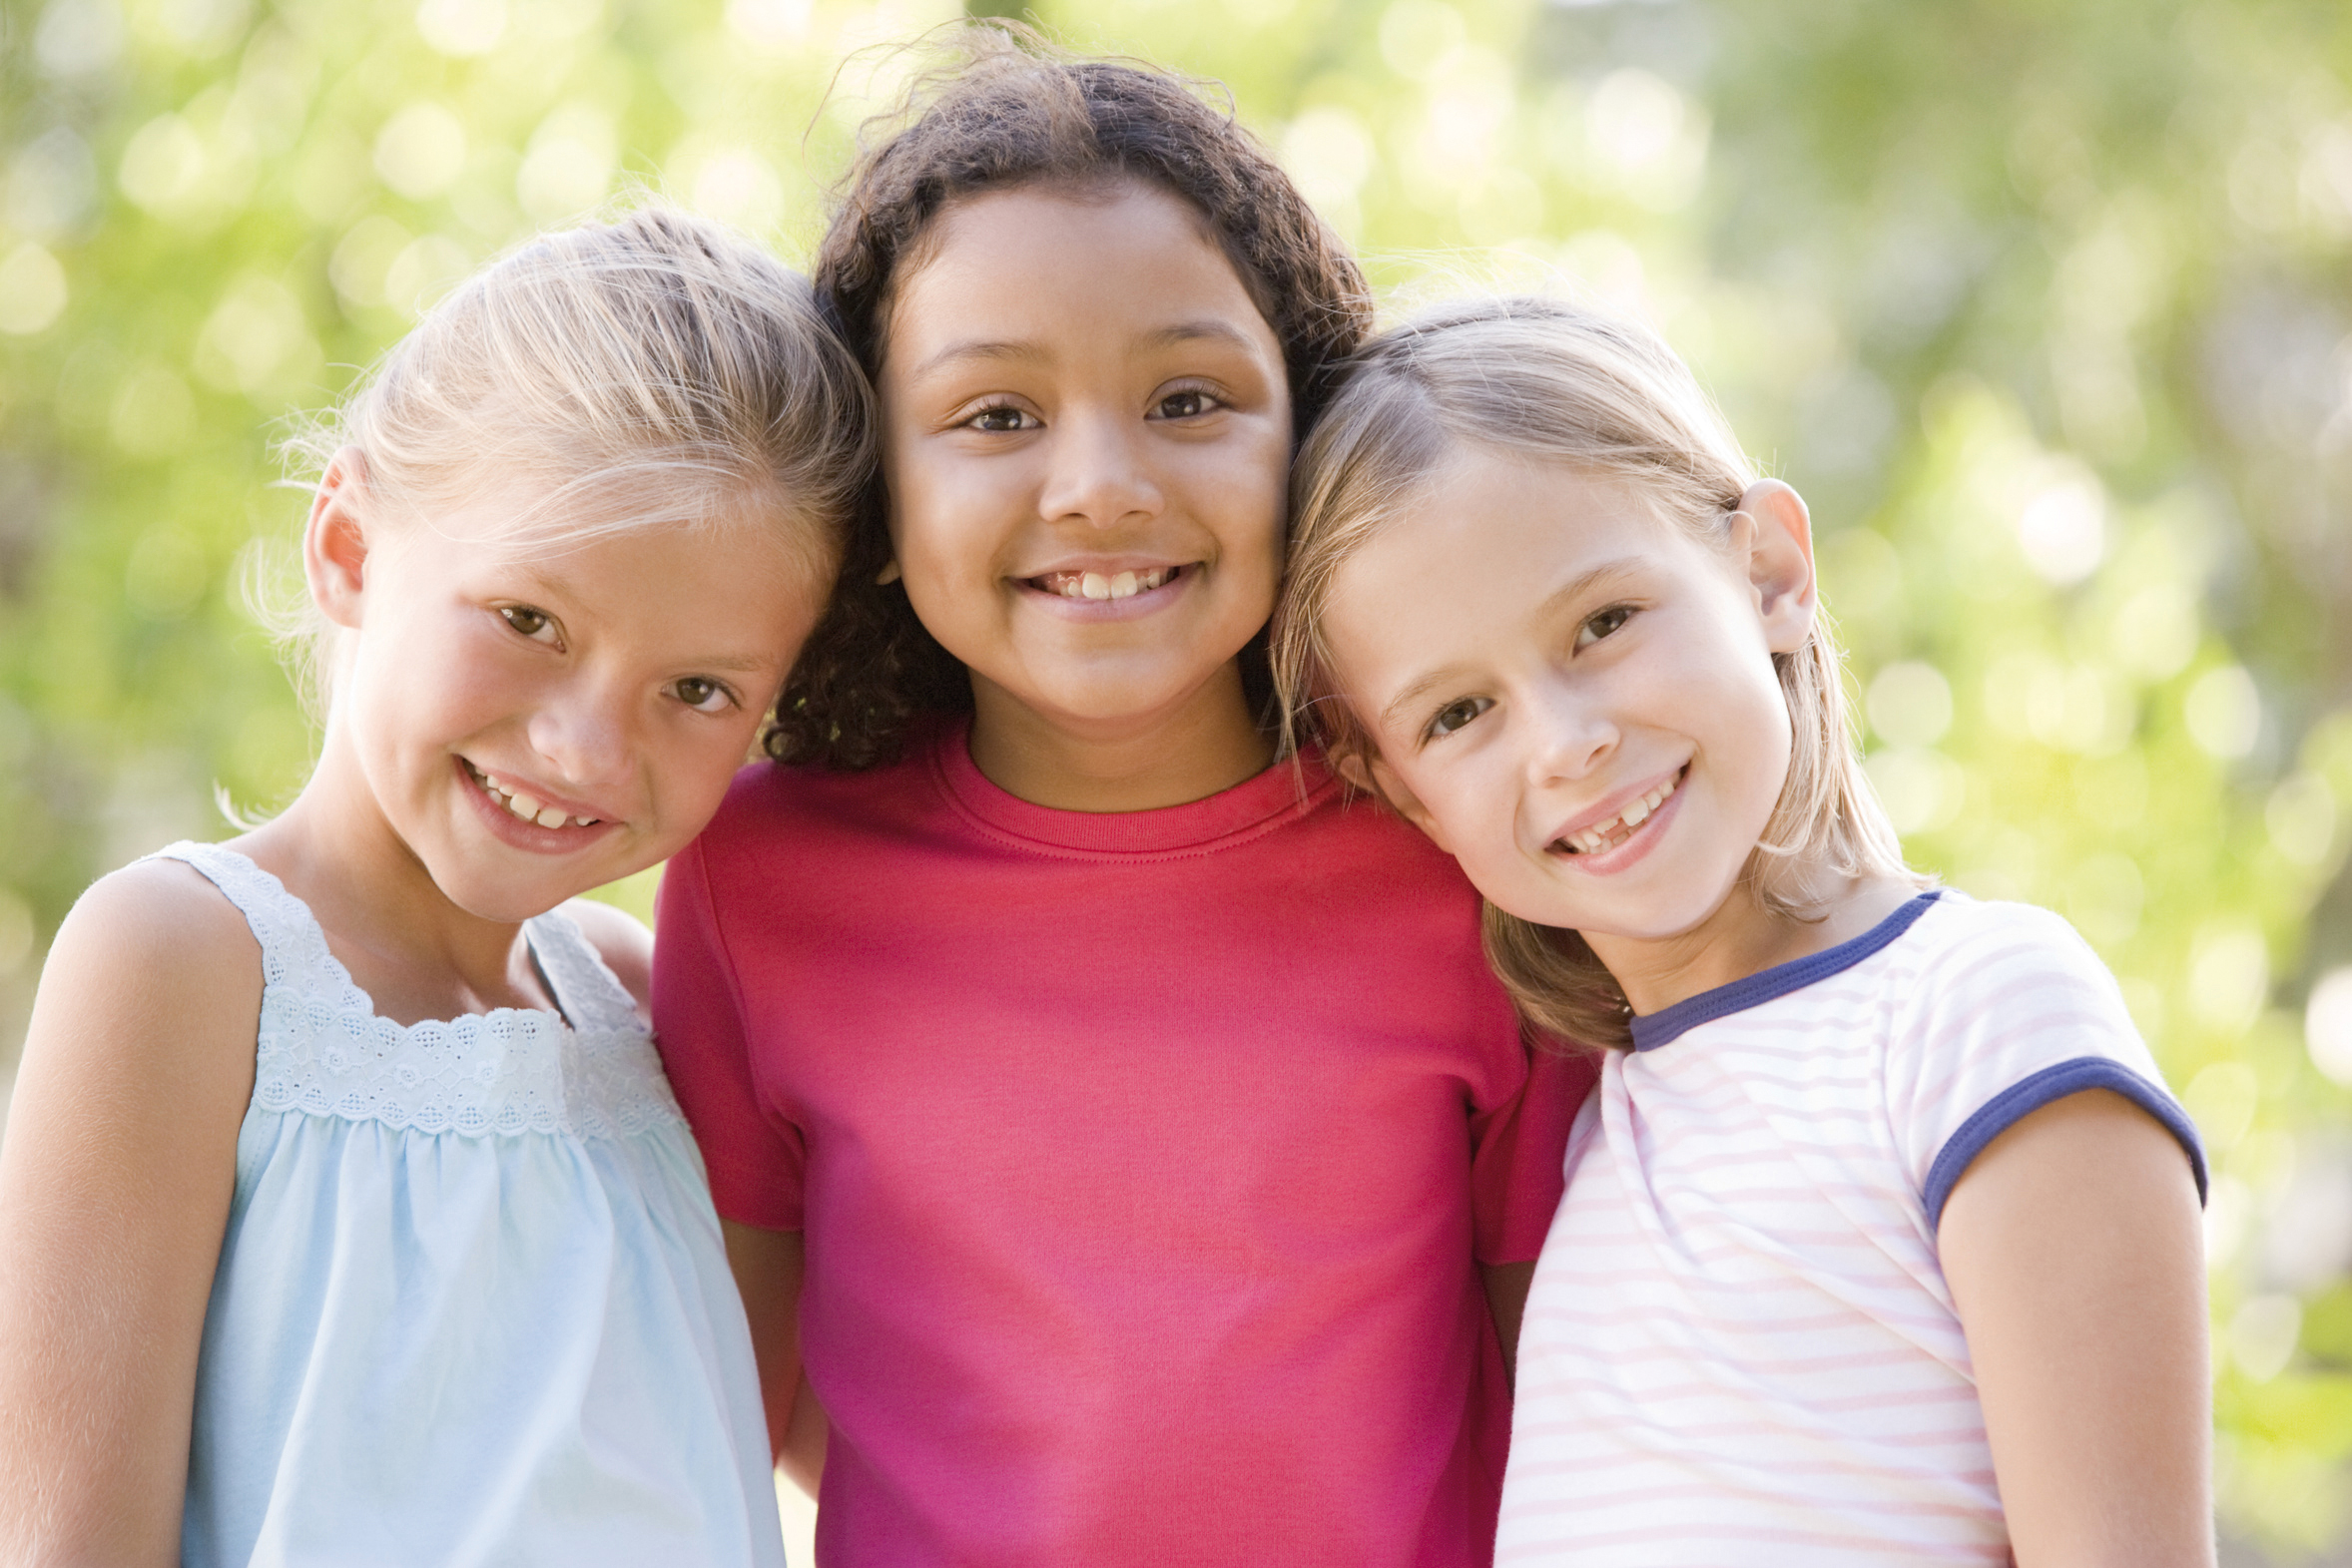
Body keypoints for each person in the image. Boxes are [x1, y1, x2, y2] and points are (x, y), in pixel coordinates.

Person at [651, 33, 1593, 1567]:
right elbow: (719, 1419)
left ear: (1308, 434)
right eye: (996, 416)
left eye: (1189, 397)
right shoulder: (758, 876)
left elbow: (1570, 1409)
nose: (1100, 483)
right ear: (879, 494)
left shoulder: (1458, 844)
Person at [1272, 294, 2215, 1565]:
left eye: (1601, 624)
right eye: (1456, 714)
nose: (1565, 741)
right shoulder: (1583, 1130)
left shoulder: (1975, 1010)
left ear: (1767, 568)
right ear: (1399, 791)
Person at [0, 206, 873, 1566]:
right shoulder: (184, 962)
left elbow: (883, 1436)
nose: (585, 746)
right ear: (347, 548)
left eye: (698, 689)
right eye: (529, 620)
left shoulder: (646, 1005)